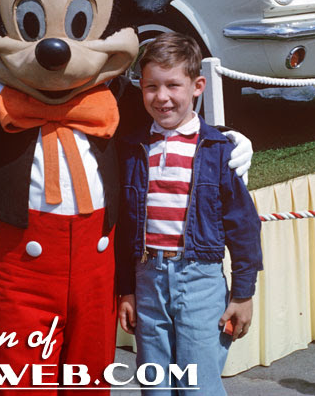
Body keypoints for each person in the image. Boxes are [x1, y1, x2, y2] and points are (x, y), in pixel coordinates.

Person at [116, 32, 263, 395]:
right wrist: (126, 291)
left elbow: (244, 227)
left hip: (200, 281)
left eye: (173, 85)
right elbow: (125, 228)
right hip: (147, 279)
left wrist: (242, 295)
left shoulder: (218, 150)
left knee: (197, 385)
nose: (161, 97)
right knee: (155, 384)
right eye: (151, 86)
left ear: (198, 86)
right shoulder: (133, 149)